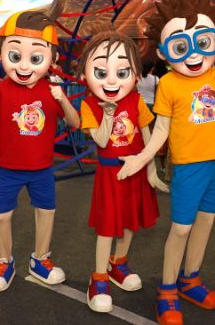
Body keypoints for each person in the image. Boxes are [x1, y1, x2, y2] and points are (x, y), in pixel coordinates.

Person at [117, 0, 215, 325]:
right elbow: (162, 130)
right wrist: (142, 158)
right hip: (189, 167)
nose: (194, 55)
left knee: (205, 226)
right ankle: (167, 289)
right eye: (182, 47)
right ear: (166, 53)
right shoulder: (168, 83)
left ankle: (190, 279)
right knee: (181, 229)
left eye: (202, 43)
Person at [0, 0, 80, 292]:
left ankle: (40, 259)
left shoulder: (51, 90)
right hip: (7, 168)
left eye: (35, 56)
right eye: (15, 54)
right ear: (3, 53)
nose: (24, 65)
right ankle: (4, 262)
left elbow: (76, 122)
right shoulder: (0, 89)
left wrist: (63, 98)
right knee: (2, 217)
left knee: (46, 214)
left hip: (42, 168)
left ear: (51, 58)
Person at [77, 31, 169, 313]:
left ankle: (118, 263)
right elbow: (102, 141)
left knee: (130, 222)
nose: (112, 80)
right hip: (110, 175)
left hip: (136, 172)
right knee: (107, 227)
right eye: (102, 72)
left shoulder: (137, 100)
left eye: (122, 71)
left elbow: (147, 138)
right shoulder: (89, 104)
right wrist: (107, 113)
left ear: (136, 74)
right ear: (85, 75)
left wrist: (151, 170)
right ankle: (99, 277)